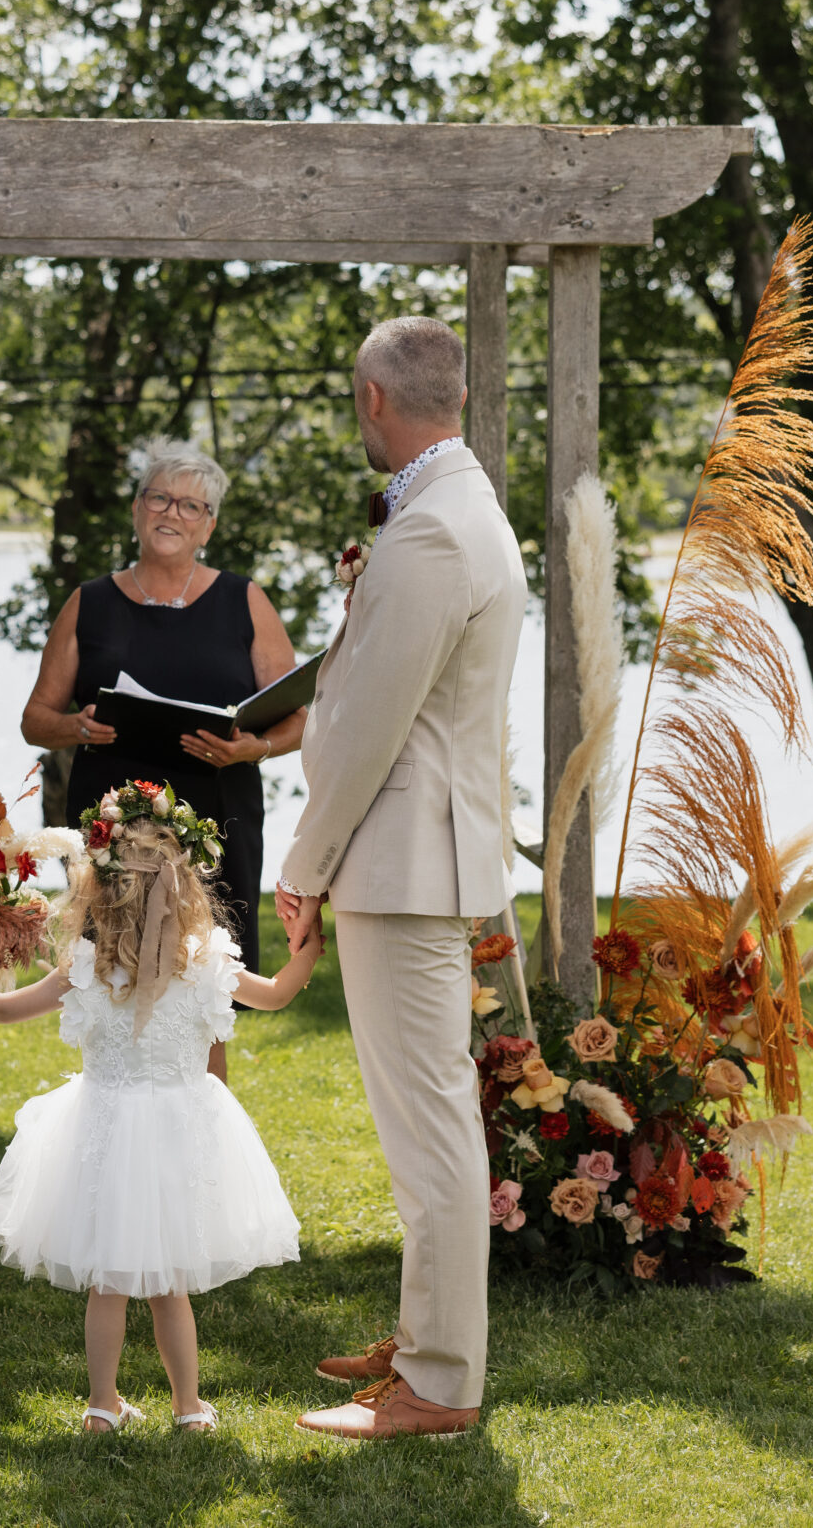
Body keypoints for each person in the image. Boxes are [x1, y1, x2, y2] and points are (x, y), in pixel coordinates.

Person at [274, 317, 524, 1441]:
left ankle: (436, 1383)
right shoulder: (449, 510)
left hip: (403, 861)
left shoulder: (431, 531)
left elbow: (368, 726)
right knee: (425, 1123)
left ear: (375, 397)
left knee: (427, 1131)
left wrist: (303, 864)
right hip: (423, 857)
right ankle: (427, 1341)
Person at [0, 784, 313, 1434]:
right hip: (182, 1133)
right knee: (169, 1283)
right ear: (186, 886)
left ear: (96, 888)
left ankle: (102, 1405)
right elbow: (275, 996)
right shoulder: (207, 963)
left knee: (108, 1280)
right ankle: (188, 1408)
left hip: (102, 1131)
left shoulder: (86, 967)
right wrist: (308, 943)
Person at [20, 437, 305, 1064]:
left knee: (204, 989)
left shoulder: (244, 600)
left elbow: (297, 720)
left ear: (210, 524)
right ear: (136, 509)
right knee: (107, 980)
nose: (171, 514)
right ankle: (110, 1115)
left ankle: (202, 1139)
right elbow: (36, 719)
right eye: (160, 499)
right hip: (115, 824)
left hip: (217, 814)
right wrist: (78, 729)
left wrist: (250, 749)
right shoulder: (89, 602)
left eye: (190, 505)